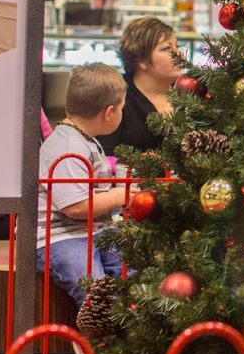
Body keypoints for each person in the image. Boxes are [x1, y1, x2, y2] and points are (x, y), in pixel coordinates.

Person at [36, 63, 133, 307]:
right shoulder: (68, 146)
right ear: (109, 112)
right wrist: (121, 195)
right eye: (122, 108)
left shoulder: (85, 140)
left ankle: (129, 330)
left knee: (131, 270)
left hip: (94, 231)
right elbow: (76, 207)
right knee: (93, 288)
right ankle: (98, 340)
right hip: (59, 238)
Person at [99, 16, 182, 154]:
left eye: (177, 46)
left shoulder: (192, 92)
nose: (178, 54)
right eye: (167, 48)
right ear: (141, 59)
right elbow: (105, 159)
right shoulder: (116, 96)